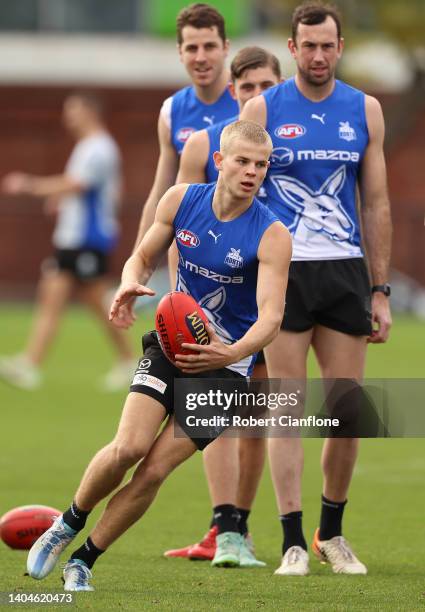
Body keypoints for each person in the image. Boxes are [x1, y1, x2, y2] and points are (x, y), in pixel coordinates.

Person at [26, 120, 291, 591]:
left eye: (262, 164)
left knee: (154, 471)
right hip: (171, 345)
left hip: (225, 371)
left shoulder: (272, 233)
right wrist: (129, 280)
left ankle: (83, 561)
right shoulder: (181, 200)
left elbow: (270, 319)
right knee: (128, 447)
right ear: (220, 161)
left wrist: (229, 353)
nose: (253, 171)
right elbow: (142, 255)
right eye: (244, 161)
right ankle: (66, 524)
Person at [241, 1, 392, 576]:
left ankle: (332, 532)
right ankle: (292, 542)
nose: (319, 55)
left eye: (328, 45)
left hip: (345, 271)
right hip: (284, 274)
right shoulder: (264, 108)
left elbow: (375, 202)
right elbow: (243, 191)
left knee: (347, 412)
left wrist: (379, 288)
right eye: (309, 45)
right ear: (292, 47)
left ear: (341, 47)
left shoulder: (365, 109)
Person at [163, 46, 282, 562]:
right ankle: (224, 526)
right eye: (249, 86)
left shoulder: (281, 145)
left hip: (271, 286)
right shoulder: (205, 144)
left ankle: (241, 527)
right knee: (219, 411)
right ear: (235, 91)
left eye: (267, 86)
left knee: (259, 414)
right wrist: (178, 301)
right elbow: (174, 227)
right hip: (215, 301)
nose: (258, 95)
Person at [0, 92, 135, 391]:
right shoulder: (89, 147)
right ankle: (30, 364)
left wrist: (30, 185)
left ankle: (129, 361)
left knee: (99, 303)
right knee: (54, 297)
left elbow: (77, 184)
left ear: (89, 112)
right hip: (73, 237)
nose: (67, 117)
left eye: (72, 111)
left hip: (87, 238)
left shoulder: (99, 148)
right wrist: (59, 198)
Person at [133, 2, 238, 248]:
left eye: (209, 46)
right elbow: (161, 193)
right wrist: (136, 264)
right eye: (192, 48)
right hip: (199, 247)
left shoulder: (250, 100)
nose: (201, 57)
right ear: (180, 52)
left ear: (225, 48)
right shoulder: (172, 110)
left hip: (247, 244)